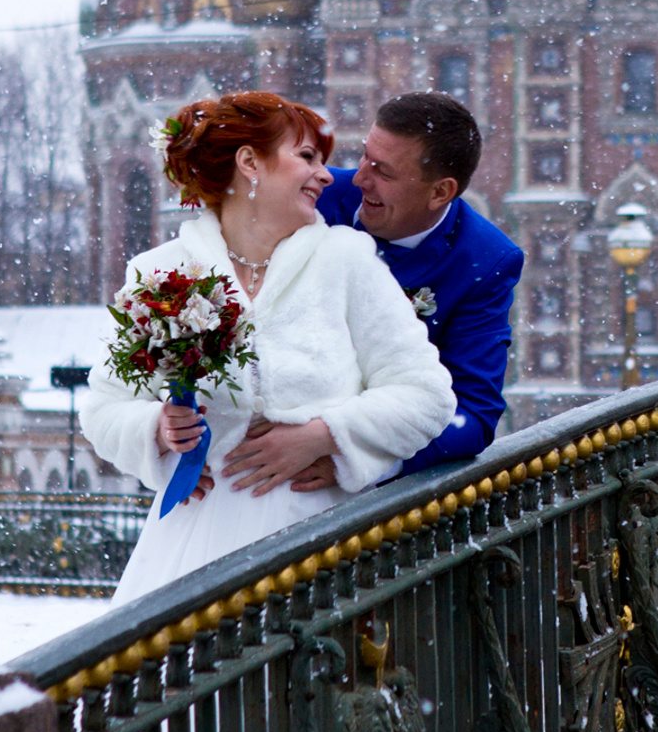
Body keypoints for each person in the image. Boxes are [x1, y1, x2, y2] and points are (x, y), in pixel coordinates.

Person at [83, 92, 456, 607]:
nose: (327, 177)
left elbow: (428, 395)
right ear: (249, 163)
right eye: (307, 157)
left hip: (323, 545)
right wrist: (158, 432)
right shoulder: (162, 271)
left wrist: (325, 436)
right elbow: (103, 408)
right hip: (193, 550)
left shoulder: (346, 260)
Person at [246, 90, 520, 489]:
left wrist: (349, 454)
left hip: (347, 499)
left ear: (440, 192)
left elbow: (472, 416)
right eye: (364, 156)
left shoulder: (486, 259)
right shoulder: (312, 194)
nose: (359, 178)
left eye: (384, 172)